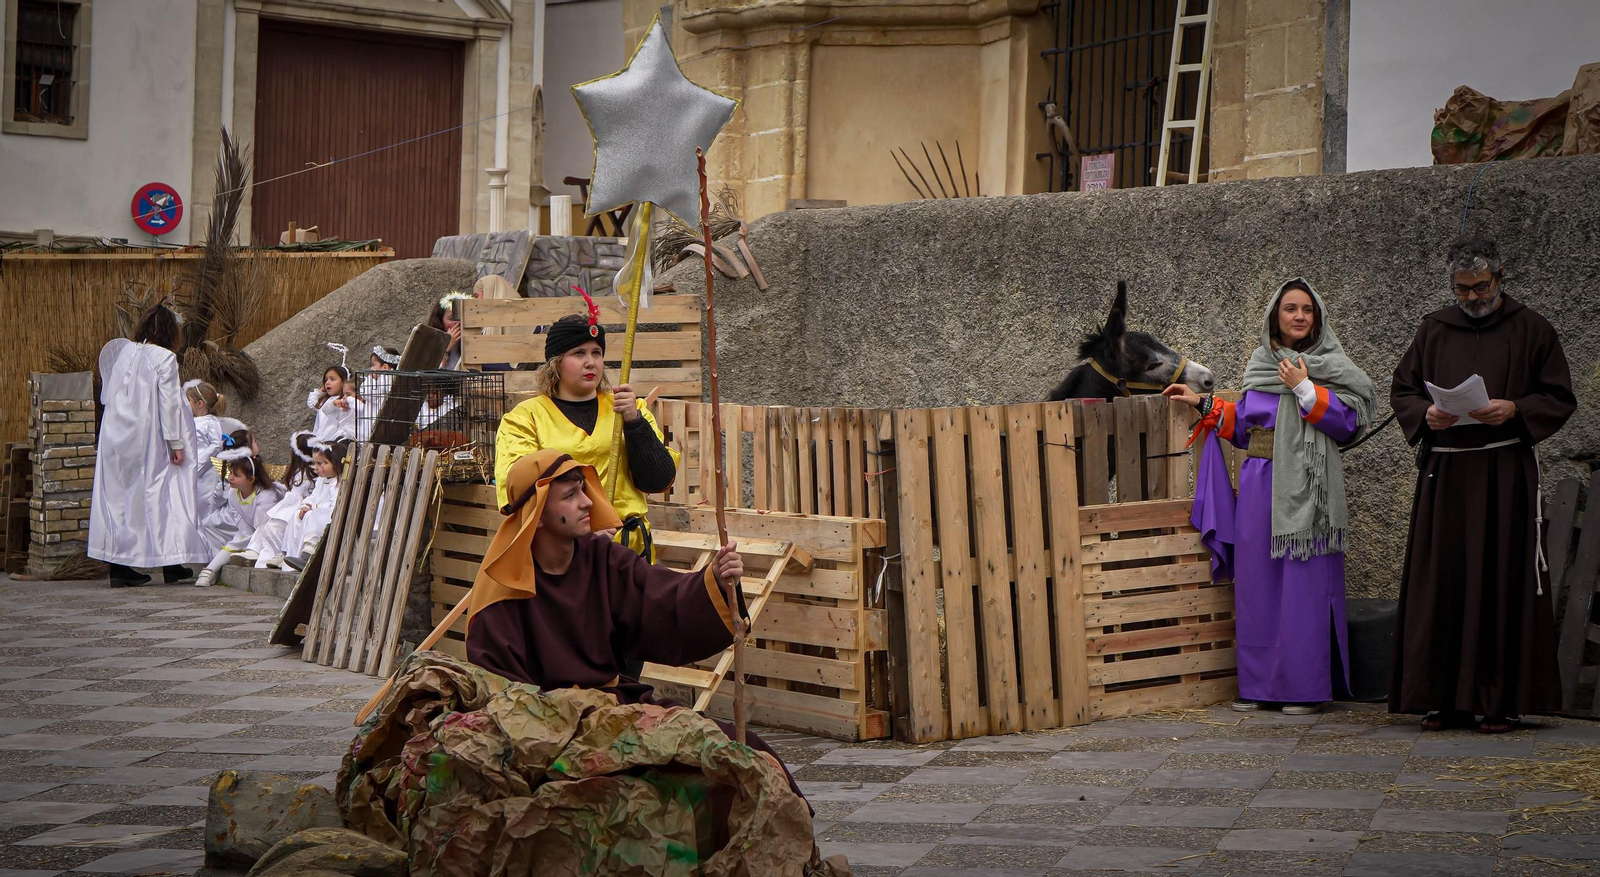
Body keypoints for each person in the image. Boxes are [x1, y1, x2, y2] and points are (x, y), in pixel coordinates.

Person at [464, 449, 802, 802]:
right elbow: (502, 698)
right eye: (570, 495)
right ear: (538, 514)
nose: (587, 503)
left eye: (583, 490)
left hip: (617, 709)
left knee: (741, 748)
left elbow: (662, 599)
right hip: (549, 735)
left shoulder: (603, 559)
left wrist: (714, 580)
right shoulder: (500, 594)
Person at [1389, 235, 1574, 733]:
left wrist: (1516, 408)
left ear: (1500, 276)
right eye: (1461, 289)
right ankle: (1443, 699)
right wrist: (1426, 413)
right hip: (1446, 476)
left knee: (1500, 580)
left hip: (1503, 475)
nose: (1472, 298)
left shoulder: (1533, 329)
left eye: (1481, 287)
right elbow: (1403, 390)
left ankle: (1500, 702)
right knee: (1442, 580)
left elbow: (1558, 396)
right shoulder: (1433, 330)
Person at [1167, 278, 1375, 715]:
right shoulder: (1261, 364)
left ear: (1317, 317)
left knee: (1303, 589)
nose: (1299, 316)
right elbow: (1245, 426)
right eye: (1290, 309)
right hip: (1261, 484)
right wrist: (1203, 404)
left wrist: (1304, 387)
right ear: (1274, 317)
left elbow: (1346, 425)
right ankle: (1259, 687)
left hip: (1308, 492)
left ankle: (1303, 690)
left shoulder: (1329, 365)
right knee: (1257, 586)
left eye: (1307, 309)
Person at [494, 298, 678, 565]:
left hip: (629, 553)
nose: (590, 362)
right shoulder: (526, 418)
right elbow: (519, 491)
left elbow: (658, 481)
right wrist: (582, 530)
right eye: (578, 353)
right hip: (566, 554)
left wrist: (634, 423)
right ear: (556, 363)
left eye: (596, 353)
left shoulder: (630, 409)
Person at [89, 304, 208, 586]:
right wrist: (176, 443)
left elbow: (109, 393)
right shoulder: (165, 358)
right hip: (149, 440)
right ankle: (172, 558)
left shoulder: (125, 352)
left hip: (116, 438)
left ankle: (120, 566)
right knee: (168, 492)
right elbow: (168, 404)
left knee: (120, 499)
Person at [194, 449, 283, 588]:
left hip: (271, 531)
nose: (230, 478)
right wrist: (242, 540)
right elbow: (242, 523)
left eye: (236, 475)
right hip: (253, 530)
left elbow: (264, 525)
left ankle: (253, 553)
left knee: (252, 540)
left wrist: (250, 542)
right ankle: (209, 571)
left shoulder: (266, 495)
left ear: (251, 479)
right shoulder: (233, 493)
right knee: (235, 542)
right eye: (230, 473)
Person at [246, 431, 317, 569]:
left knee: (276, 526)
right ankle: (257, 551)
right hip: (290, 506)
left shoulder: (307, 476)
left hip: (295, 507)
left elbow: (295, 497)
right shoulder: (299, 474)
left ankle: (280, 554)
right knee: (268, 526)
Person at [281, 438, 347, 569]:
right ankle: (288, 553)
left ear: (336, 463)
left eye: (322, 463)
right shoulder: (321, 481)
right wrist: (305, 506)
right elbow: (313, 497)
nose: (316, 468)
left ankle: (307, 556)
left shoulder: (337, 483)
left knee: (311, 517)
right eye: (315, 463)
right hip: (317, 513)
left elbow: (335, 505)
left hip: (328, 516)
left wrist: (314, 508)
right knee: (296, 515)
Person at [356, 346, 400, 442]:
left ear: (385, 367)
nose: (371, 368)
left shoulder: (385, 379)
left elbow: (367, 394)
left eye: (373, 365)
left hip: (375, 422)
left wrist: (370, 378)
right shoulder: (391, 379)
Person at [308, 360, 358, 443]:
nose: (327, 382)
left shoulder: (343, 401)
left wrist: (335, 403)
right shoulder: (325, 399)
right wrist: (322, 389)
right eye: (326, 380)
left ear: (344, 382)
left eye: (332, 379)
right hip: (317, 441)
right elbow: (311, 403)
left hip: (331, 443)